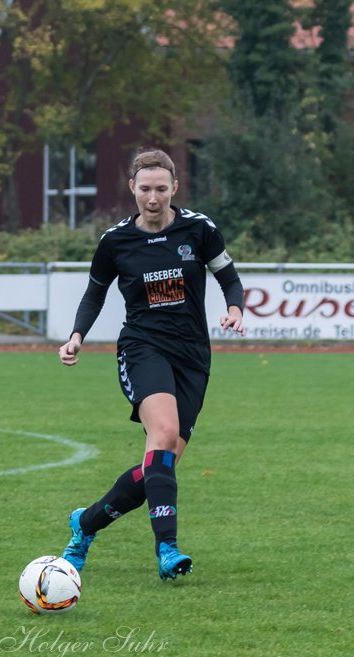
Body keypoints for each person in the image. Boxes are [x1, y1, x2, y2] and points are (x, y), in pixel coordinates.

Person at [57, 148, 245, 580]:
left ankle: (84, 525)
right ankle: (168, 550)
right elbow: (94, 293)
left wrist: (235, 308)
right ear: (132, 189)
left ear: (174, 188)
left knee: (158, 468)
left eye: (162, 188)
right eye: (145, 189)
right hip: (143, 348)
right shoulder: (115, 241)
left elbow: (228, 277)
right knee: (162, 434)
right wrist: (76, 336)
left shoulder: (199, 230)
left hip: (193, 357)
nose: (154, 197)